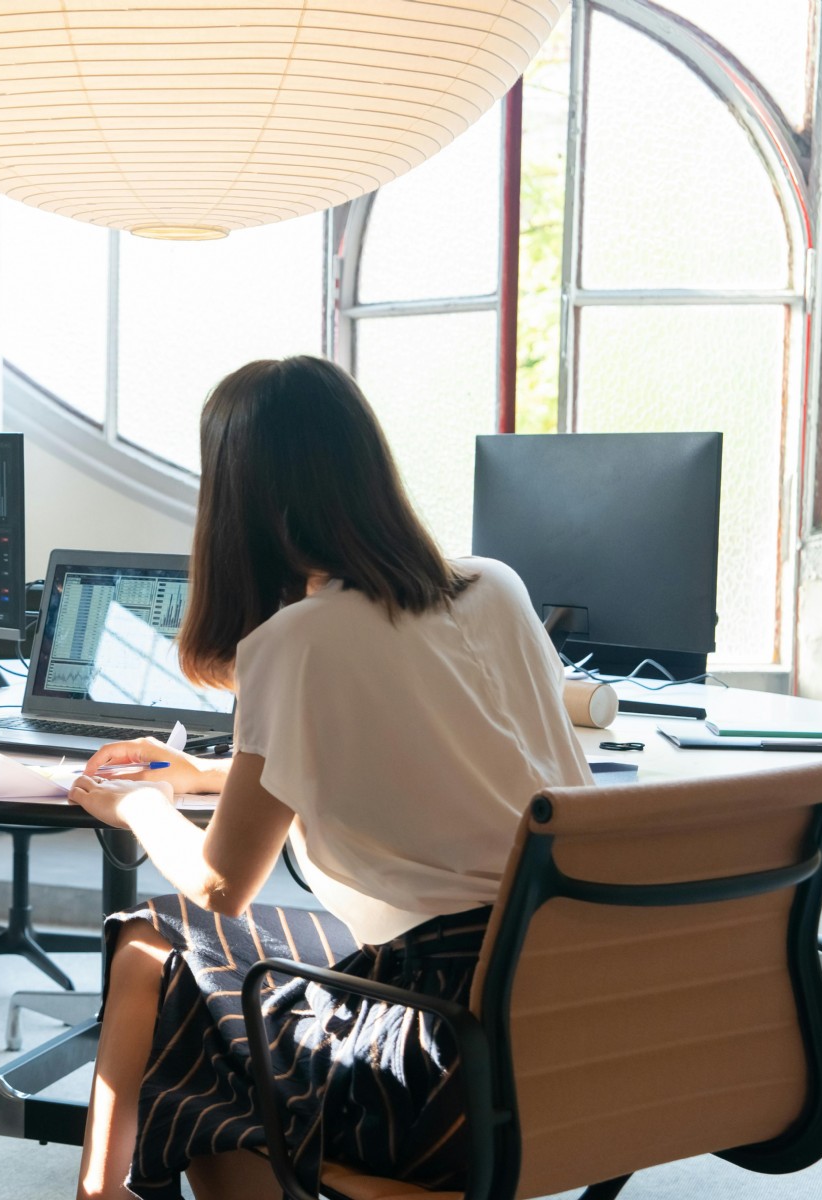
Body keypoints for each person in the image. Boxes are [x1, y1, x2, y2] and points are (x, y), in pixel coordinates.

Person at [68, 357, 591, 1200]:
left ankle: (113, 1187)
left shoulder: (297, 641)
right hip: (568, 1010)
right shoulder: (495, 585)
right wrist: (214, 772)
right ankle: (100, 1191)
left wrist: (136, 803)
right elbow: (446, 752)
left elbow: (218, 887)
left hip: (440, 1051)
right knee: (149, 941)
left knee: (192, 1003)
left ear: (237, 499)